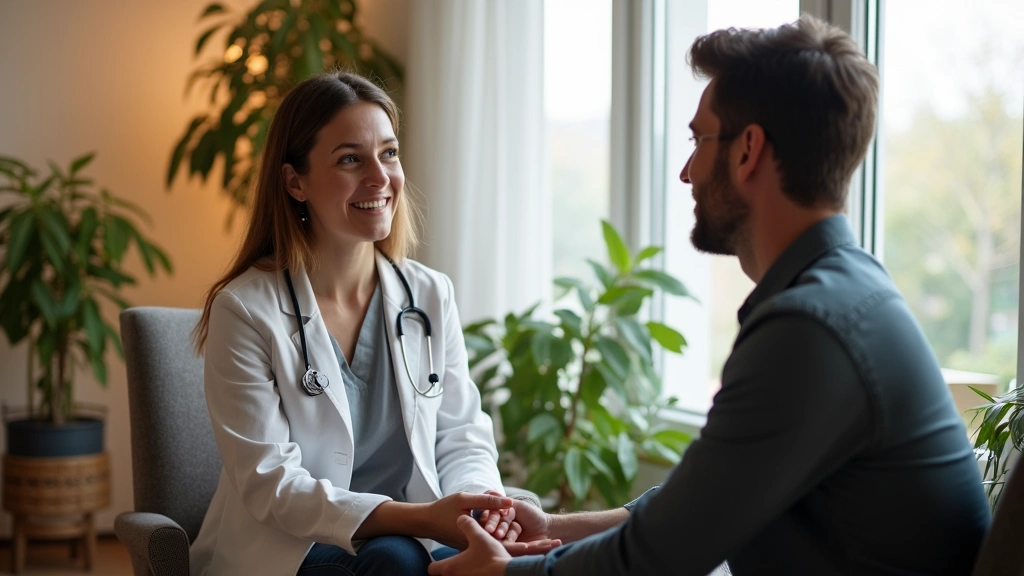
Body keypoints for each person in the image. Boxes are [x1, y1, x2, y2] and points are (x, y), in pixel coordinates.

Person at [428, 15, 992, 576]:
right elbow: (696, 509)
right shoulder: (841, 293)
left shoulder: (811, 328)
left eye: (699, 139)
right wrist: (551, 528)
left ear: (748, 151)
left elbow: (658, 558)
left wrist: (501, 574)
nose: (685, 172)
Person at [189, 71, 557, 576]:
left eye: (389, 153)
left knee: (499, 560)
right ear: (295, 182)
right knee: (399, 560)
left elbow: (461, 434)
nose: (380, 178)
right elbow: (272, 485)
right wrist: (425, 518)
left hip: (412, 538)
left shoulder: (429, 294)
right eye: (349, 159)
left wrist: (480, 509)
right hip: (289, 550)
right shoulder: (246, 310)